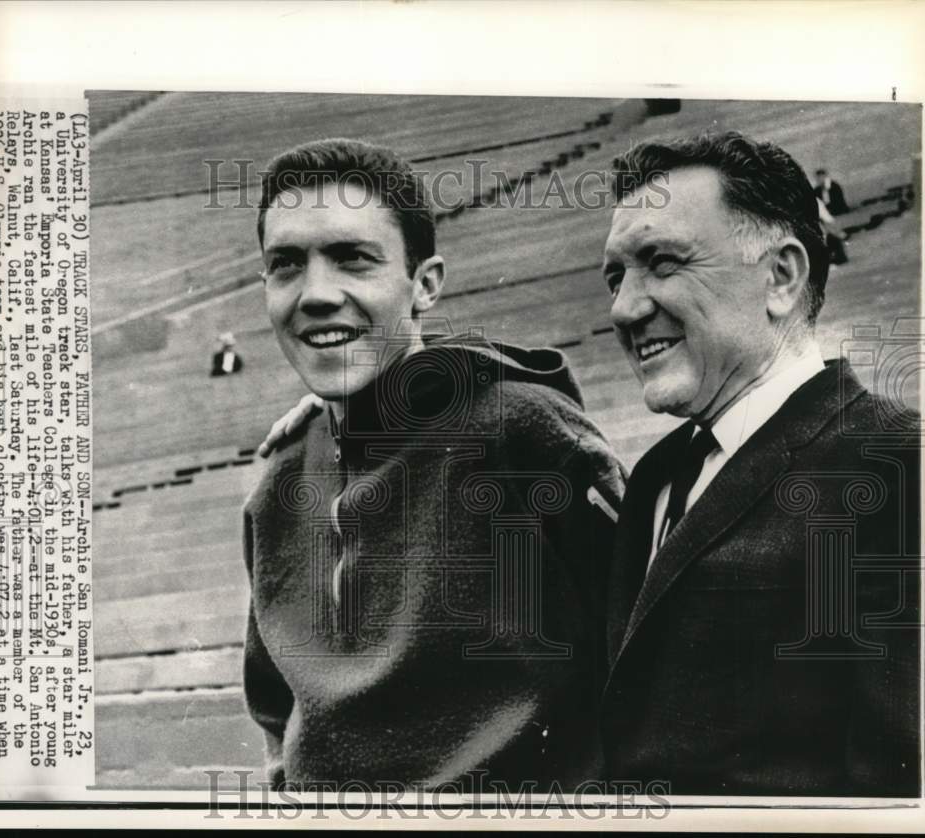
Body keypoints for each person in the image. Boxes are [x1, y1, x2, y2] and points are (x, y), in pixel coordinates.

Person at [243, 138, 625, 791]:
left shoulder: (523, 433)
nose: (315, 294)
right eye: (286, 265)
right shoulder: (279, 479)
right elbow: (275, 704)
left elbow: (651, 656)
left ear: (425, 285)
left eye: (352, 259)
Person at [600, 132, 919, 796]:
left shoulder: (895, 466)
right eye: (616, 276)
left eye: (662, 263)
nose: (622, 307)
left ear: (780, 277)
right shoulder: (657, 474)